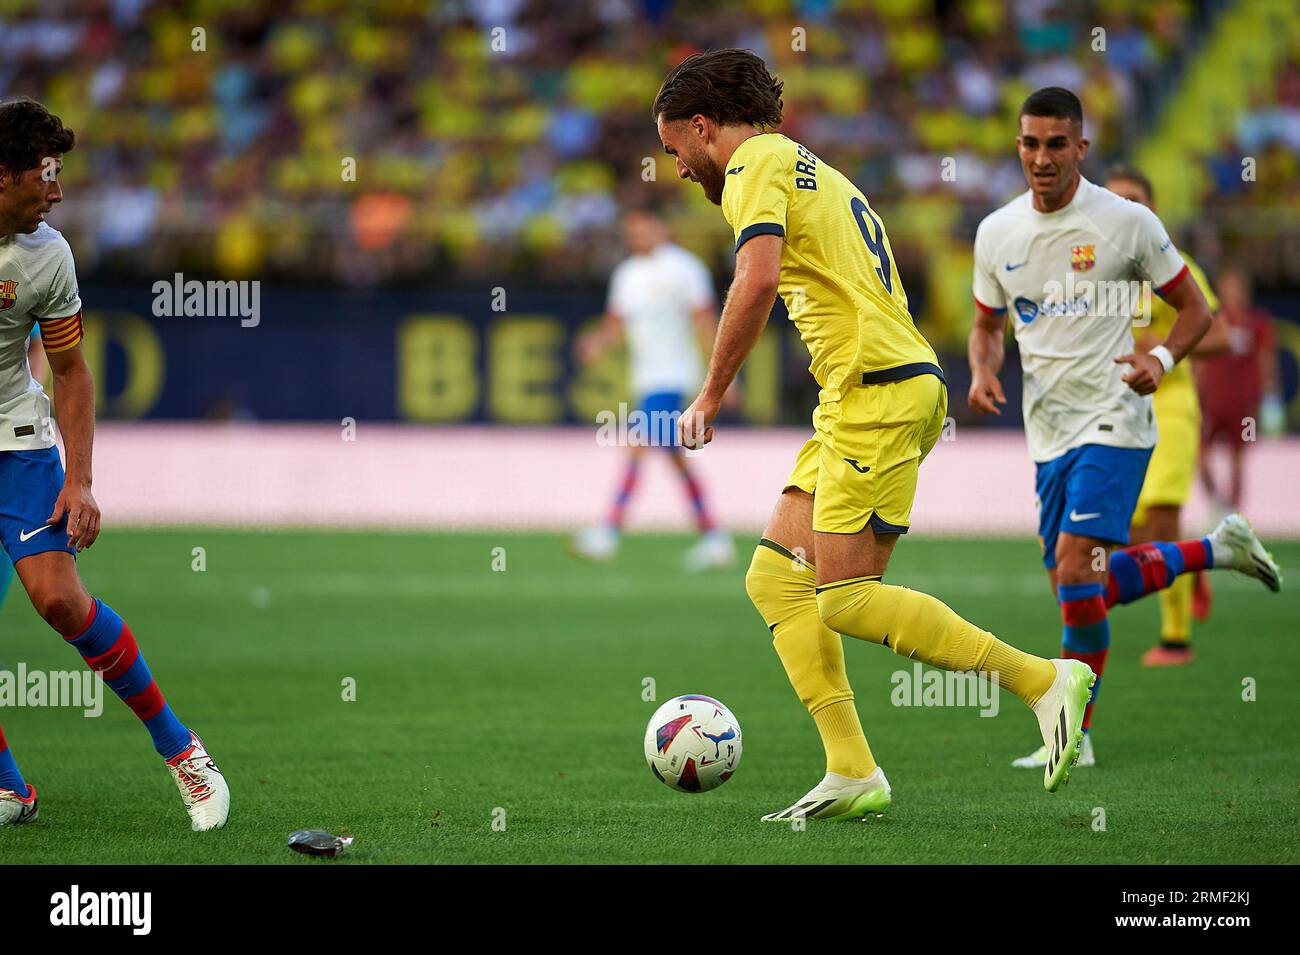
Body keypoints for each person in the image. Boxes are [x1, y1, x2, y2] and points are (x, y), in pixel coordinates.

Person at [656, 50, 1096, 820]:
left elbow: (756, 279)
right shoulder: (810, 168)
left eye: (675, 150)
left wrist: (711, 393)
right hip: (867, 393)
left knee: (847, 597)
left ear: (701, 126)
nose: (680, 169)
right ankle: (852, 770)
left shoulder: (754, 162)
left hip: (876, 394)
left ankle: (1044, 679)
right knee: (774, 578)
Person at [967, 88, 1281, 771]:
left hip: (1118, 415)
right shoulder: (996, 232)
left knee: (1079, 564)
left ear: (1082, 147)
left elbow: (1197, 309)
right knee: (1081, 585)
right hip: (1046, 429)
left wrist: (1162, 359)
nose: (1042, 157)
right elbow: (987, 326)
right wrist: (983, 369)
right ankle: (1215, 550)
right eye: (1030, 143)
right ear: (1017, 146)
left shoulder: (1126, 223)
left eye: (1057, 144)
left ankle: (1072, 733)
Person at [0, 98, 228, 831]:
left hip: (19, 442)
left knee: (61, 602)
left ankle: (182, 749)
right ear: (4, 177)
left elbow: (70, 370)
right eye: (47, 174)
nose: (58, 190)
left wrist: (81, 478)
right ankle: (10, 788)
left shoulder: (48, 255)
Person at [1103, 164, 1231, 666]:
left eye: (1136, 198)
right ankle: (1195, 561)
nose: (1126, 208)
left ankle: (1175, 639)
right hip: (1115, 411)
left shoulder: (1171, 267)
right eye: (1115, 200)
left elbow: (1218, 335)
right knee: (1117, 536)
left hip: (1172, 407)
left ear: (1152, 209)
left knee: (1160, 518)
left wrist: (1165, 348)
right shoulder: (1091, 270)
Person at [570, 206, 735, 571]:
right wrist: (597, 341)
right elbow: (616, 323)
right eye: (632, 231)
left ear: (661, 227)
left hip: (673, 376)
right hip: (647, 377)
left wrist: (724, 376)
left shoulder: (684, 268)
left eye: (643, 229)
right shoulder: (626, 274)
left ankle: (608, 533)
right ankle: (714, 538)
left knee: (637, 447)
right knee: (675, 458)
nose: (638, 237)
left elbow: (707, 323)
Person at [1196, 265, 1284, 515]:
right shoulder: (1212, 321)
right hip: (1212, 402)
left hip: (1244, 403)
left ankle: (1235, 511)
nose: (1234, 292)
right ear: (1220, 290)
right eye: (1228, 287)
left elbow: (1266, 361)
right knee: (1200, 456)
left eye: (1238, 287)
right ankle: (1216, 503)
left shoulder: (1258, 323)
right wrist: (1197, 388)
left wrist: (1270, 396)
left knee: (1240, 457)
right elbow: (1199, 360)